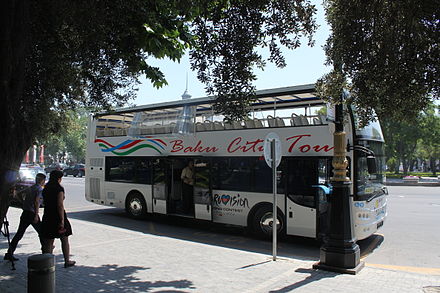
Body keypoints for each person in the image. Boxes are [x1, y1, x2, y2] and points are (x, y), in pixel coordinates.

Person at [4, 173, 46, 261]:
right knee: (42, 232)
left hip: (25, 212)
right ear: (42, 180)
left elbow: (19, 194)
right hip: (32, 213)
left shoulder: (31, 188)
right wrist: (36, 215)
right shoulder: (39, 189)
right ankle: (45, 252)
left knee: (19, 233)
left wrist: (22, 203)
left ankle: (9, 252)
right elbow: (36, 202)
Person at [41, 170, 75, 268]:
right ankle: (67, 260)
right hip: (57, 216)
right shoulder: (59, 189)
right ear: (59, 178)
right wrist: (62, 220)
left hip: (47, 215)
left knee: (49, 240)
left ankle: (46, 262)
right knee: (64, 239)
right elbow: (60, 205)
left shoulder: (46, 188)